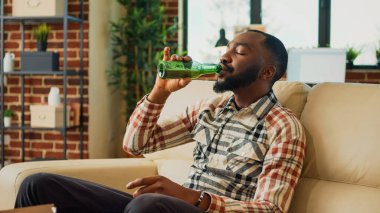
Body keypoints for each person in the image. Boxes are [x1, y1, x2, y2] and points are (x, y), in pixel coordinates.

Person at [15, 30, 305, 213]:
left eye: (239, 52)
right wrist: (160, 92)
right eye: (226, 49)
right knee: (38, 185)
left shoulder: (282, 127)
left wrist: (195, 199)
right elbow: (135, 144)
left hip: (198, 208)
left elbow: (271, 209)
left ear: (267, 72)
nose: (225, 56)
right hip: (164, 208)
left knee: (147, 204)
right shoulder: (210, 108)